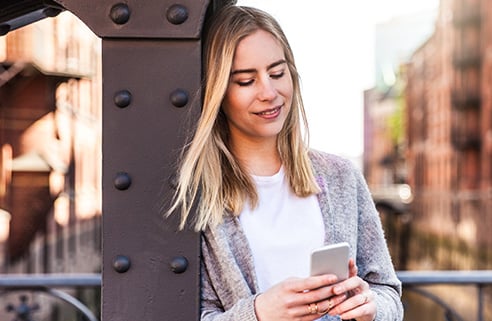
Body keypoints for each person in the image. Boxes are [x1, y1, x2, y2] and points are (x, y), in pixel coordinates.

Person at [168, 4, 403, 321]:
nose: (269, 92)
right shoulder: (197, 193)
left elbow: (387, 293)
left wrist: (371, 307)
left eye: (277, 73)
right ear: (219, 91)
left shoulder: (341, 177)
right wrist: (258, 314)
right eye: (245, 80)